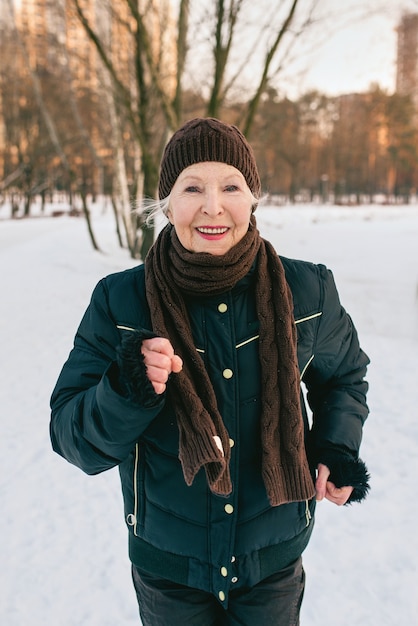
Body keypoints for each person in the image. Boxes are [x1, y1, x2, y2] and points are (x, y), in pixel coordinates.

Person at [50, 117, 370, 626]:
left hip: (273, 559)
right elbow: (73, 438)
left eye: (231, 187)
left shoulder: (309, 291)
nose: (213, 206)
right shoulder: (119, 301)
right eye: (192, 187)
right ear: (167, 202)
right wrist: (127, 387)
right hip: (169, 570)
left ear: (253, 197)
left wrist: (336, 447)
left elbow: (344, 379)